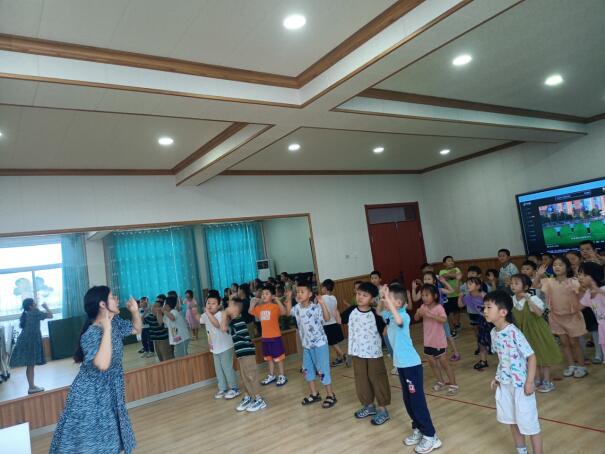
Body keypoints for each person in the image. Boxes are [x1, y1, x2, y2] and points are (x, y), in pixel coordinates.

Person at [50, 286, 142, 454]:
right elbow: (103, 364)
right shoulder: (91, 333)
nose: (117, 299)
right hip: (90, 397)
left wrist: (135, 312)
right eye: (112, 297)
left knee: (109, 441)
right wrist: (107, 329)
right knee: (92, 445)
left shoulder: (115, 323)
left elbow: (136, 329)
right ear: (102, 304)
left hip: (110, 393)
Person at [381, 284, 442, 454]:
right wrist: (382, 297)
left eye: (389, 299)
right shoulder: (390, 314)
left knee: (417, 402)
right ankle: (418, 429)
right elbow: (380, 311)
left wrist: (388, 301)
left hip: (411, 366)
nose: (386, 302)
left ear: (399, 303)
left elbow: (399, 320)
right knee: (408, 401)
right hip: (401, 365)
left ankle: (431, 436)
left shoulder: (403, 316)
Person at [483, 290, 542, 454]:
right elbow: (503, 359)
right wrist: (498, 377)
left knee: (530, 424)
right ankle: (522, 451)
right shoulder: (494, 333)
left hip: (521, 386)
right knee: (512, 421)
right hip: (505, 384)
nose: (485, 311)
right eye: (484, 307)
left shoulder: (514, 332)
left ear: (503, 312)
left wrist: (529, 382)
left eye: (488, 307)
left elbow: (531, 357)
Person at [341, 282, 391, 425]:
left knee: (377, 379)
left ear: (372, 298)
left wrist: (388, 311)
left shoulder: (376, 313)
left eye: (365, 295)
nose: (360, 297)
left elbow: (385, 330)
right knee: (361, 379)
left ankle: (383, 410)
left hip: (374, 353)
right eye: (358, 294)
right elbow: (340, 319)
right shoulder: (351, 310)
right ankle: (369, 406)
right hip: (357, 353)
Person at [286, 282, 337, 408]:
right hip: (307, 346)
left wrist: (322, 304)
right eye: (297, 292)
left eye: (302, 292)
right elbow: (288, 313)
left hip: (319, 344)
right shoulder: (297, 308)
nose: (299, 294)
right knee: (307, 370)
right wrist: (288, 298)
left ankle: (330, 395)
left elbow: (327, 318)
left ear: (309, 294)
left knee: (322, 370)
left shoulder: (315, 308)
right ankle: (314, 394)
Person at [536, 255, 587, 378]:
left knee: (574, 343)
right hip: (556, 317)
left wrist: (582, 283)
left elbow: (584, 294)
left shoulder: (573, 281)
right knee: (564, 343)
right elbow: (534, 285)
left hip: (572, 317)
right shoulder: (549, 281)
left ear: (567, 267)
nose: (557, 267)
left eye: (560, 265)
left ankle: (581, 366)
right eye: (555, 265)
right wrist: (538, 275)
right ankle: (571, 365)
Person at [510, 274, 562, 393]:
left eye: (516, 283)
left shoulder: (532, 298)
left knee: (543, 354)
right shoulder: (512, 299)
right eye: (512, 283)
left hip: (538, 330)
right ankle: (537, 379)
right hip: (523, 332)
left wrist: (528, 299)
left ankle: (547, 381)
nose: (513, 286)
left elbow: (539, 313)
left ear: (526, 287)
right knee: (530, 356)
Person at [220, 297, 266, 412]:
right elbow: (224, 327)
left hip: (247, 354)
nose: (227, 308)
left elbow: (223, 328)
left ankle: (259, 399)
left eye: (229, 306)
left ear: (236, 309)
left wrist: (224, 313)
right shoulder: (234, 322)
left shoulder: (238, 321)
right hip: (241, 355)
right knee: (245, 377)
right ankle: (248, 396)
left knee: (251, 376)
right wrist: (226, 313)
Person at [414, 284, 458, 396]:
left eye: (427, 295)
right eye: (423, 295)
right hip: (428, 341)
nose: (424, 298)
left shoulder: (439, 308)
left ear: (434, 296)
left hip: (438, 341)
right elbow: (416, 318)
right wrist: (418, 313)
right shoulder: (423, 306)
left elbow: (443, 319)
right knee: (433, 364)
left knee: (445, 364)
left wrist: (430, 315)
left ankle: (453, 385)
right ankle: (440, 381)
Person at [193, 294, 240, 399]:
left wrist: (207, 313)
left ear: (219, 306)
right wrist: (194, 311)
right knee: (218, 370)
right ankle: (223, 388)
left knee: (227, 368)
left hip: (225, 347)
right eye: (208, 303)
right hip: (215, 348)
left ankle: (234, 388)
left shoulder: (221, 314)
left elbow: (217, 325)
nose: (210, 305)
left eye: (213, 303)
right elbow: (199, 320)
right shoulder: (206, 315)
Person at [412, 272, 461, 362]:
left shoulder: (438, 289)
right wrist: (413, 288)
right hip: (429, 319)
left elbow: (451, 291)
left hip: (439, 316)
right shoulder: (423, 290)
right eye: (425, 279)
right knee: (431, 336)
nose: (426, 280)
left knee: (448, 335)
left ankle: (456, 353)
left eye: (429, 279)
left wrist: (444, 282)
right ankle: (434, 354)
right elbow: (415, 299)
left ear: (434, 281)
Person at [9, 298, 53, 394]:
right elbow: (50, 315)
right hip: (30, 342)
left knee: (30, 365)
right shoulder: (35, 312)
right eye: (34, 303)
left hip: (24, 341)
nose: (36, 303)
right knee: (30, 365)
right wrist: (46, 307)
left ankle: (31, 386)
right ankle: (31, 387)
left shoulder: (27, 313)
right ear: (30, 306)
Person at [249, 284, 288, 386]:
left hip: (275, 337)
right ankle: (271, 375)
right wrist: (253, 302)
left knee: (278, 358)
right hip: (265, 338)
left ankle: (282, 376)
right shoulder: (260, 308)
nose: (264, 295)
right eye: (263, 294)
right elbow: (250, 311)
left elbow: (284, 312)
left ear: (272, 296)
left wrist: (277, 300)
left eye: (267, 293)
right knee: (269, 358)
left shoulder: (275, 307)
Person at [458, 277, 491, 370]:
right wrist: (460, 297)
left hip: (488, 320)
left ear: (478, 286)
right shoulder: (467, 296)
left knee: (489, 339)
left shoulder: (484, 296)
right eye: (467, 284)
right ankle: (483, 360)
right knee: (480, 340)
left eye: (470, 284)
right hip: (479, 319)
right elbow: (460, 305)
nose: (467, 286)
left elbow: (492, 308)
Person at [578, 261, 605, 364]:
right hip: (602, 328)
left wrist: (597, 289)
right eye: (579, 274)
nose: (580, 277)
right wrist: (580, 291)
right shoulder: (588, 293)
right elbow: (578, 307)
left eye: (584, 275)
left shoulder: (602, 290)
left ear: (594, 275)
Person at [320, 279, 346, 366]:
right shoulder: (333, 298)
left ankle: (343, 355)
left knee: (333, 343)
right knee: (335, 342)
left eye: (322, 287)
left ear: (325, 288)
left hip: (327, 324)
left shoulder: (322, 298)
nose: (321, 289)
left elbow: (319, 311)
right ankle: (339, 359)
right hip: (334, 323)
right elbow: (335, 310)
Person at [438, 256, 462, 336]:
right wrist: (453, 275)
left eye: (452, 260)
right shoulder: (442, 271)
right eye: (449, 261)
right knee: (450, 312)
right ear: (444, 263)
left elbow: (458, 276)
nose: (451, 262)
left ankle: (457, 323)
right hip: (448, 295)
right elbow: (443, 278)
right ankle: (453, 327)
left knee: (457, 310)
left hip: (457, 293)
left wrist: (448, 275)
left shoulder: (457, 269)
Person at [147, 295, 173, 362]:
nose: (153, 308)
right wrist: (146, 311)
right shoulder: (150, 316)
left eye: (155, 306)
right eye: (153, 306)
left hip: (164, 340)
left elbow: (160, 323)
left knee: (167, 358)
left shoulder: (164, 316)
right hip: (156, 341)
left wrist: (159, 312)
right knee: (160, 358)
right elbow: (140, 320)